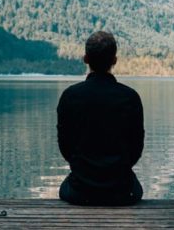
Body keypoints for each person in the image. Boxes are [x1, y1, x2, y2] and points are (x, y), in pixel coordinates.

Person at [56, 31, 144, 206]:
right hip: (122, 192)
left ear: (85, 59)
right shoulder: (130, 97)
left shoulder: (70, 96)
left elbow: (65, 146)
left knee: (65, 187)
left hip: (80, 191)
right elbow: (136, 147)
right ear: (114, 61)